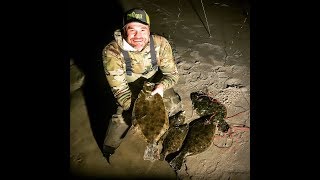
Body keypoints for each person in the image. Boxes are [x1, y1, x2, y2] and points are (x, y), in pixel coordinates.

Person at [101, 8, 182, 161]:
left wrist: (162, 86)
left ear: (149, 30)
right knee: (120, 121)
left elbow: (172, 75)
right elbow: (121, 93)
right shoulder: (112, 52)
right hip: (129, 91)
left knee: (173, 103)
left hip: (154, 86)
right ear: (124, 31)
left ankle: (165, 133)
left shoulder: (160, 44)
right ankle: (108, 149)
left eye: (142, 30)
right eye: (132, 30)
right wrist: (139, 113)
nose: (138, 36)